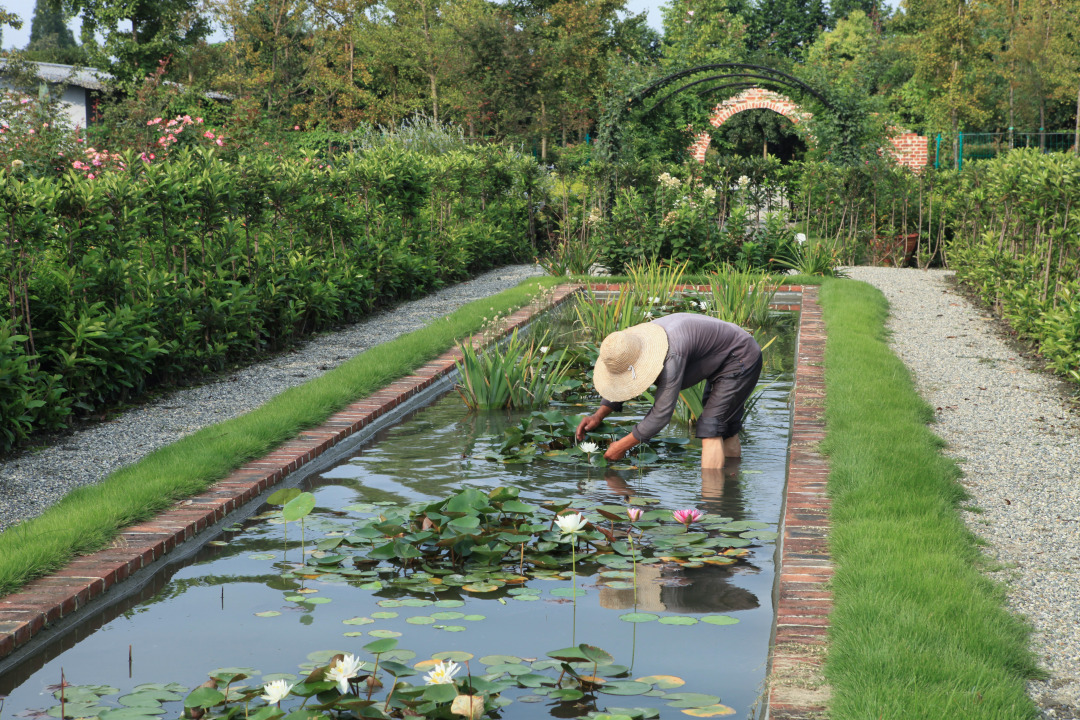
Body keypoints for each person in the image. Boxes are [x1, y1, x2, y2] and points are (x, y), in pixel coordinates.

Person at [575, 313, 762, 469]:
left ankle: (712, 504)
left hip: (740, 356)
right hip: (724, 352)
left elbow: (661, 415)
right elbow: (625, 382)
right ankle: (730, 484)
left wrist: (621, 446)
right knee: (726, 428)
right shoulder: (634, 344)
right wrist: (598, 415)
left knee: (711, 427)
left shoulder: (669, 357)